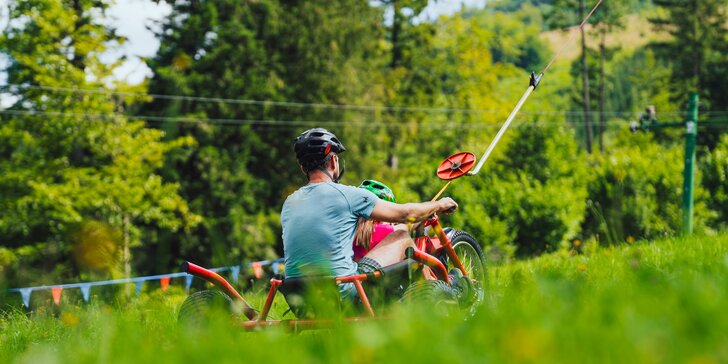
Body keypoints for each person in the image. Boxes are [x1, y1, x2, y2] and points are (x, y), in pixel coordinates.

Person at [281, 128, 459, 299]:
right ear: (334, 161)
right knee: (401, 236)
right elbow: (406, 213)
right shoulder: (347, 195)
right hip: (342, 294)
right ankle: (439, 297)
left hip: (300, 299)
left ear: (303, 168)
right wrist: (439, 204)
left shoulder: (290, 203)